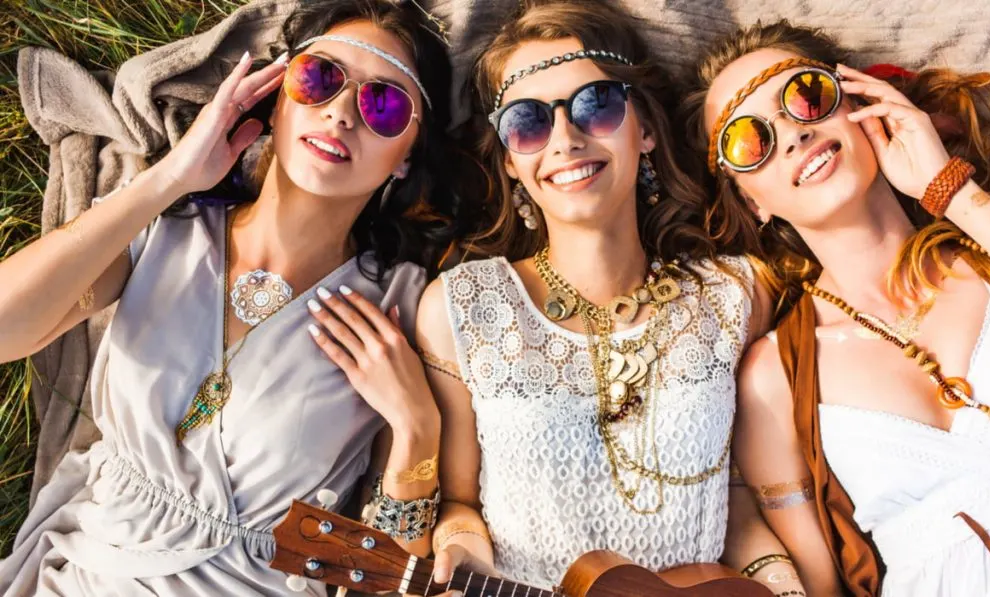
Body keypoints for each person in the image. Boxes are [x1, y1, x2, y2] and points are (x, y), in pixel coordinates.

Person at [0, 0, 472, 594]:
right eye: (319, 79)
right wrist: (168, 178)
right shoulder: (160, 233)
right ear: (276, 99)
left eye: (383, 105)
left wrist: (416, 425)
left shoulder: (402, 307)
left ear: (407, 154)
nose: (341, 113)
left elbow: (388, 569)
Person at [413, 2, 807, 595]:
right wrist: (464, 559)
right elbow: (460, 502)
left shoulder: (735, 295)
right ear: (513, 164)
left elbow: (739, 497)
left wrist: (781, 583)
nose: (565, 140)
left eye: (596, 106)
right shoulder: (462, 310)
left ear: (644, 129)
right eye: (528, 123)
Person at [683, 19, 990, 597]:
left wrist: (951, 190)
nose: (791, 135)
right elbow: (823, 588)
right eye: (748, 140)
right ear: (750, 198)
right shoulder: (776, 378)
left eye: (806, 96)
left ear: (864, 103)